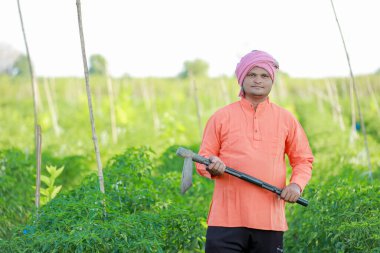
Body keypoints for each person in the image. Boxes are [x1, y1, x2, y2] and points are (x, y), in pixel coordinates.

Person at [195, 50, 314, 253]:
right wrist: (212, 166)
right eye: (252, 75)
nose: (258, 80)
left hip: (269, 221)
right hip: (225, 221)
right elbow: (202, 159)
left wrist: (296, 185)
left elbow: (303, 159)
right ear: (242, 78)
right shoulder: (221, 117)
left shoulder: (286, 119)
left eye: (264, 75)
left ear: (272, 80)